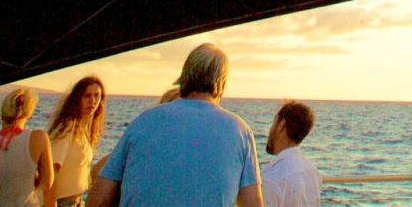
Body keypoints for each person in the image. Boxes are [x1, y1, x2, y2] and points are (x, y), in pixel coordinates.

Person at [86, 43, 261, 207]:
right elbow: (252, 203)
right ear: (221, 83)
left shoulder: (143, 121)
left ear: (184, 76)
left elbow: (99, 198)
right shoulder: (240, 131)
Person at [47, 75, 107, 207]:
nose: (92, 101)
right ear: (77, 99)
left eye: (97, 96)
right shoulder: (67, 130)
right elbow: (49, 175)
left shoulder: (82, 131)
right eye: (87, 96)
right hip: (61, 202)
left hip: (76, 201)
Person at [263, 101, 321, 207]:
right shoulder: (313, 172)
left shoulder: (271, 177)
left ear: (282, 125)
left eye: (274, 123)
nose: (270, 130)